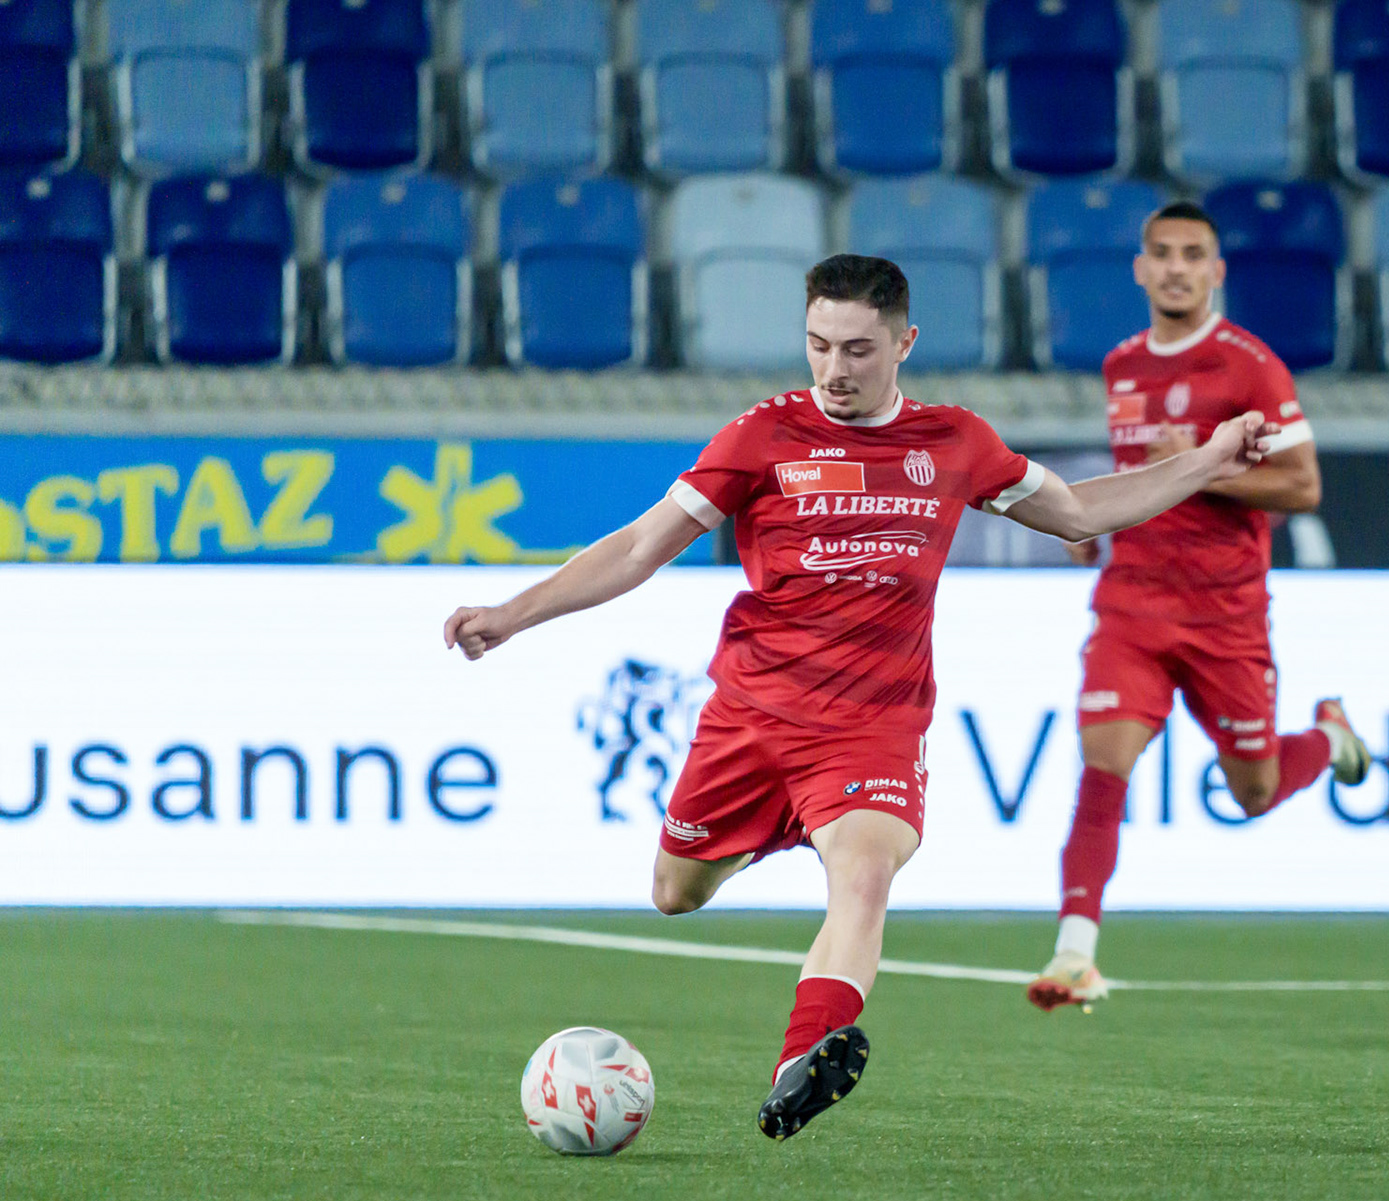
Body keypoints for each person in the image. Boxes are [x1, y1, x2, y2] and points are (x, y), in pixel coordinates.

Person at [442, 254, 1282, 1139]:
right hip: (753, 716)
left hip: (874, 726)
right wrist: (513, 613)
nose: (834, 370)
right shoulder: (762, 437)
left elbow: (1078, 513)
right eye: (817, 346)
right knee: (674, 892)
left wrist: (1211, 459)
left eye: (857, 349)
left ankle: (797, 1066)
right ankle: (775, 829)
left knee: (865, 874)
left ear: (904, 343)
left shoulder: (956, 443)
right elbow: (642, 545)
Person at [1025, 203, 1372, 1013]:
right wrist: (1088, 525)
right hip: (1133, 605)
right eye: (1162, 255)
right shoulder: (1121, 367)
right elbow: (1138, 477)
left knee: (1251, 792)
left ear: (1217, 272)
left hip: (1226, 613)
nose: (1177, 268)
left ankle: (1328, 737)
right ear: (1140, 270)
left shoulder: (1251, 367)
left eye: (1194, 255)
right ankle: (1074, 953)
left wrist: (1203, 466)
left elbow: (1303, 486)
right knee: (1103, 765)